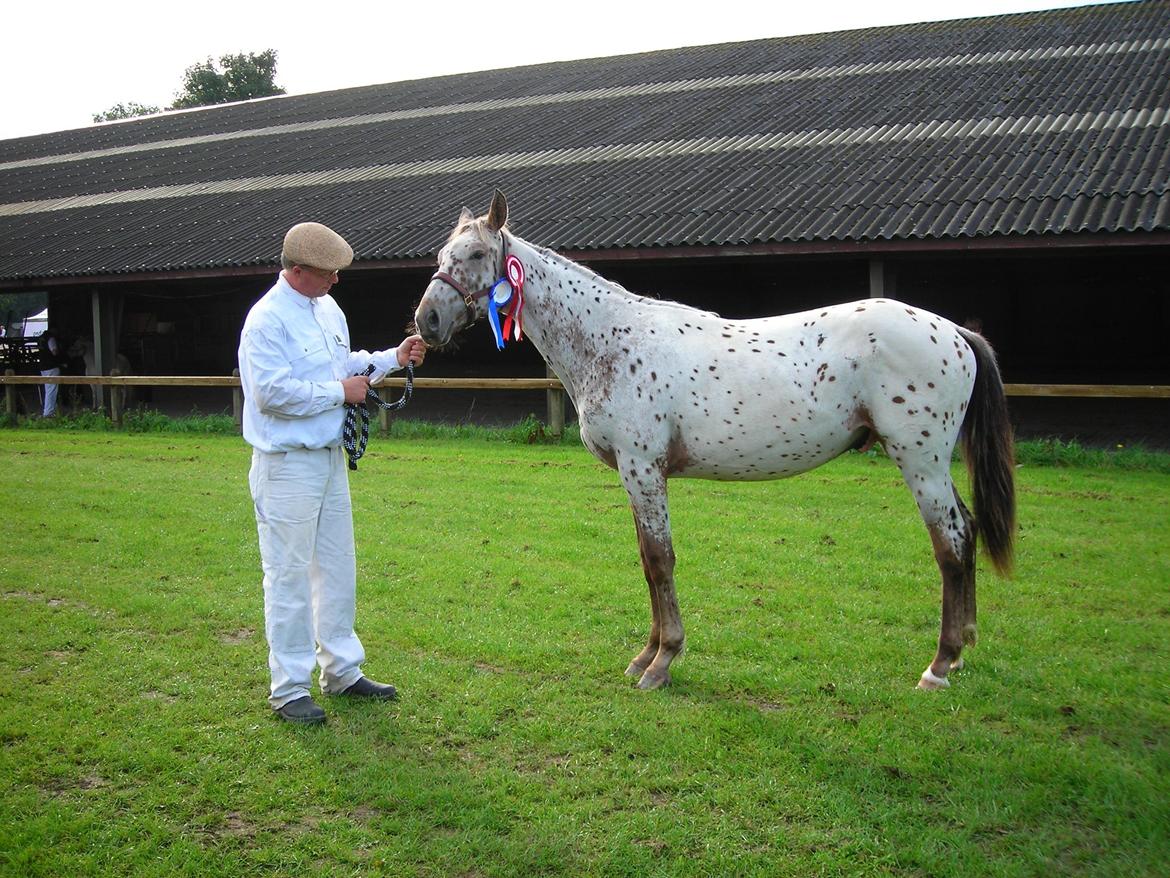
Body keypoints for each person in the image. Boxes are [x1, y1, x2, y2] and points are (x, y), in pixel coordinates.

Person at [238, 221, 426, 725]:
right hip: (286, 466)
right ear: (297, 270)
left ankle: (342, 669)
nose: (336, 281)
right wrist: (339, 394)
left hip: (327, 460)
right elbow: (270, 393)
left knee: (338, 568)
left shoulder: (327, 309)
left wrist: (392, 356)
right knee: (288, 577)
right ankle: (289, 688)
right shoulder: (266, 322)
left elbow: (345, 364)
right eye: (327, 273)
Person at [37, 327, 68, 417]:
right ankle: (48, 412)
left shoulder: (41, 338)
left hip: (43, 367)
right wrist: (61, 357)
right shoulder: (51, 338)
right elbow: (54, 351)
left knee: (48, 389)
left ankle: (53, 410)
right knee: (52, 389)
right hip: (51, 366)